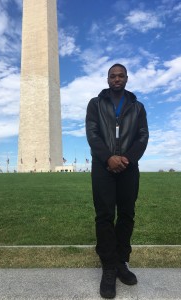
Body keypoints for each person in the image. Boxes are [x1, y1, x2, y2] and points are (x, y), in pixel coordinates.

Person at [85, 64, 149, 299]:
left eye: (120, 75)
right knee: (104, 216)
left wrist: (127, 159)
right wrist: (108, 158)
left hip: (129, 168)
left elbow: (143, 136)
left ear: (127, 78)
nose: (117, 79)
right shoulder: (96, 104)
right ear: (107, 79)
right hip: (103, 167)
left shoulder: (137, 106)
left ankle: (121, 262)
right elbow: (92, 133)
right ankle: (108, 267)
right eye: (113, 76)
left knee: (127, 215)